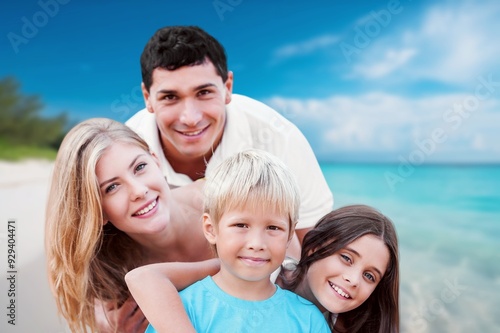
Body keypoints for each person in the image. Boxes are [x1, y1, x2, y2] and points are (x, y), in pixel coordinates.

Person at [126, 25, 333, 243]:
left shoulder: (279, 139)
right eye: (170, 97)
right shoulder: (123, 153)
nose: (190, 118)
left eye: (204, 92)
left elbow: (315, 246)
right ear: (147, 97)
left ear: (227, 87)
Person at [132, 149, 331, 332]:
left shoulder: (308, 319)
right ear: (211, 229)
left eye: (273, 228)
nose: (256, 243)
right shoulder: (182, 310)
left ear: (289, 235)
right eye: (241, 225)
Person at [45, 118, 214, 333]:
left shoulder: (225, 202)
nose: (138, 191)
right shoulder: (112, 285)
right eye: (112, 187)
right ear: (97, 211)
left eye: (140, 167)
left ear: (156, 161)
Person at [126, 204, 399, 332]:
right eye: (347, 258)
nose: (353, 279)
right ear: (314, 247)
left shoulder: (334, 326)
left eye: (369, 276)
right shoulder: (257, 268)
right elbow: (145, 277)